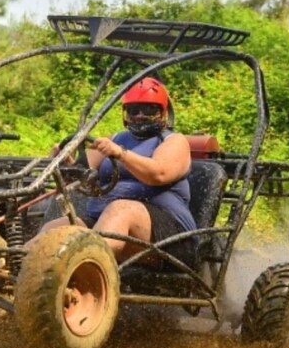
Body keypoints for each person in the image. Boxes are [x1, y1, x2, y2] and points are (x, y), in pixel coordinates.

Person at [39, 77, 196, 265]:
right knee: (56, 229)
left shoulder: (173, 141)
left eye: (148, 109)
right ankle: (16, 266)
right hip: (104, 222)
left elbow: (157, 174)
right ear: (125, 113)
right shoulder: (116, 138)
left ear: (162, 113)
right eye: (133, 110)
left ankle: (79, 263)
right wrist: (64, 162)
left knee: (121, 209)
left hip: (170, 236)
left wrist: (121, 154)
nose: (139, 115)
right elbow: (80, 171)